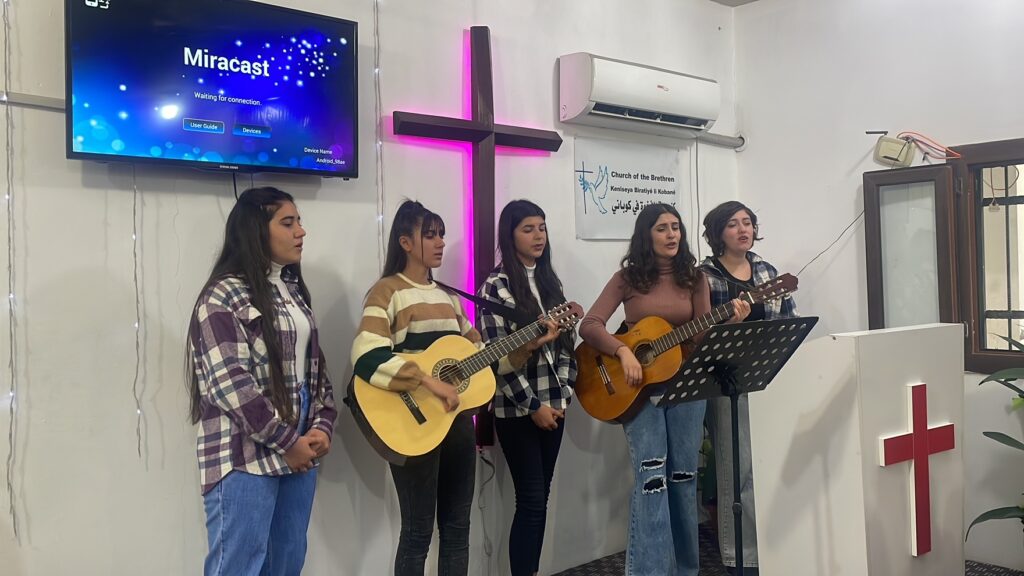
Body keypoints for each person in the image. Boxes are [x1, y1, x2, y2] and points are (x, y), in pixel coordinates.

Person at [350, 199, 557, 576]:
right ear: (405, 243)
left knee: (458, 527)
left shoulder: (449, 297)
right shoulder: (387, 292)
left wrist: (526, 346)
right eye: (430, 235)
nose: (441, 242)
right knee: (417, 532)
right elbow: (366, 356)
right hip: (412, 424)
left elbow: (484, 359)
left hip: (456, 423)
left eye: (442, 234)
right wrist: (429, 382)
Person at [578, 203, 749, 576]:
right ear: (646, 235)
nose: (672, 234)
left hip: (687, 388)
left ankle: (686, 569)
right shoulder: (627, 279)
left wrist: (730, 322)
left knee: (684, 478)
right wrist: (623, 351)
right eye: (662, 228)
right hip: (638, 392)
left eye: (676, 227)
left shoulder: (694, 278)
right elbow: (589, 325)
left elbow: (701, 337)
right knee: (651, 480)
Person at [185, 186, 336, 576]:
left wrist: (322, 425)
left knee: (287, 563)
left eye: (299, 221)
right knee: (239, 566)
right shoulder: (223, 295)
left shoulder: (293, 290)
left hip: (299, 448)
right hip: (244, 454)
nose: (300, 231)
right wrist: (288, 442)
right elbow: (230, 385)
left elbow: (315, 369)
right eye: (288, 223)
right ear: (255, 230)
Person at [477, 200, 577, 576]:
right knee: (531, 500)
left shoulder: (551, 283)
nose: (538, 236)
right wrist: (534, 406)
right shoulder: (496, 286)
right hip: (516, 409)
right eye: (528, 229)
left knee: (541, 499)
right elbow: (495, 358)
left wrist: (563, 394)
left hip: (556, 406)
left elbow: (566, 344)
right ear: (510, 235)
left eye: (542, 228)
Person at [700, 200, 796, 575]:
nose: (743, 230)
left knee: (766, 466)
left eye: (748, 222)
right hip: (725, 383)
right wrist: (731, 328)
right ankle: (739, 557)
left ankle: (770, 549)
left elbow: (788, 322)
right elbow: (698, 336)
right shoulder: (704, 277)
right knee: (735, 471)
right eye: (733, 224)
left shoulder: (767, 271)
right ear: (718, 233)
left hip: (766, 379)